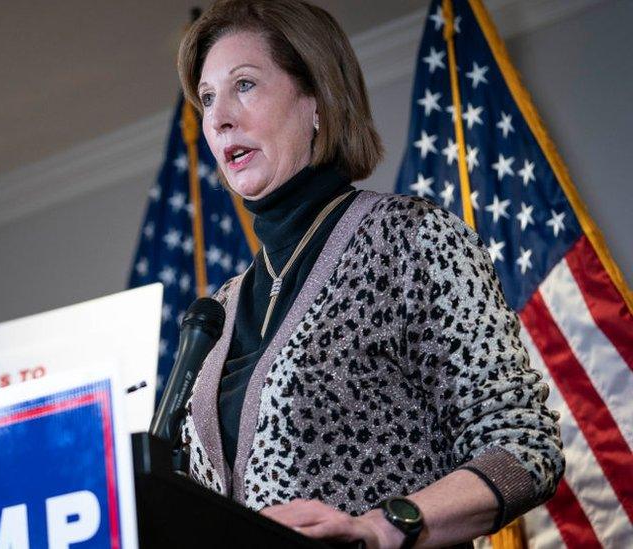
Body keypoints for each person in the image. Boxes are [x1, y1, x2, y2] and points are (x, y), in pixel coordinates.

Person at [174, 1, 565, 547]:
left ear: (315, 99)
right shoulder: (216, 314)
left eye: (244, 85)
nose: (217, 118)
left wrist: (381, 528)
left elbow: (525, 447)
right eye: (208, 97)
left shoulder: (410, 239)